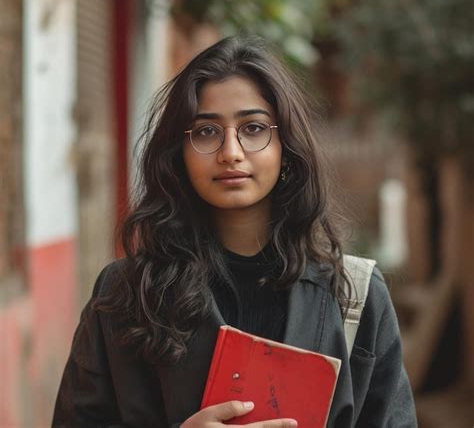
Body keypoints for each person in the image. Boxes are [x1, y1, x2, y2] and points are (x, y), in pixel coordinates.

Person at [52, 35, 417, 427]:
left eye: (253, 128)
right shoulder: (125, 294)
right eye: (207, 132)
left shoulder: (355, 297)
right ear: (180, 152)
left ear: (285, 146)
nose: (231, 151)